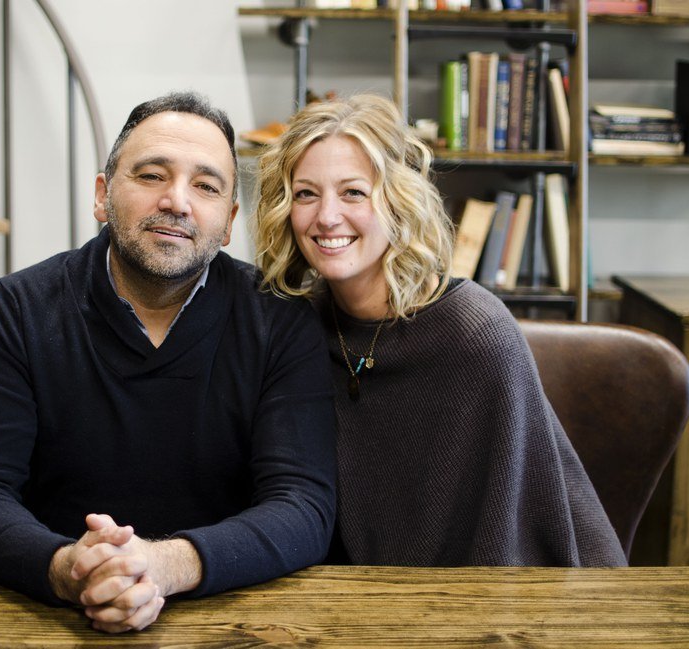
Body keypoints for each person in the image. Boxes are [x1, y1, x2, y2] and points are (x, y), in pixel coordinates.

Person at [0, 91, 337, 633]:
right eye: (151, 175)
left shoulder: (280, 321)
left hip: (233, 621)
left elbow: (303, 507)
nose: (177, 201)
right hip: (51, 619)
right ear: (103, 196)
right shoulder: (19, 308)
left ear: (228, 222)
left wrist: (165, 566)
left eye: (206, 186)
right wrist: (68, 570)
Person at [253, 94, 627, 568]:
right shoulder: (299, 327)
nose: (326, 216)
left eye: (353, 193)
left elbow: (507, 541)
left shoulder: (477, 334)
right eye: (306, 193)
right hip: (351, 596)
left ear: (398, 200)